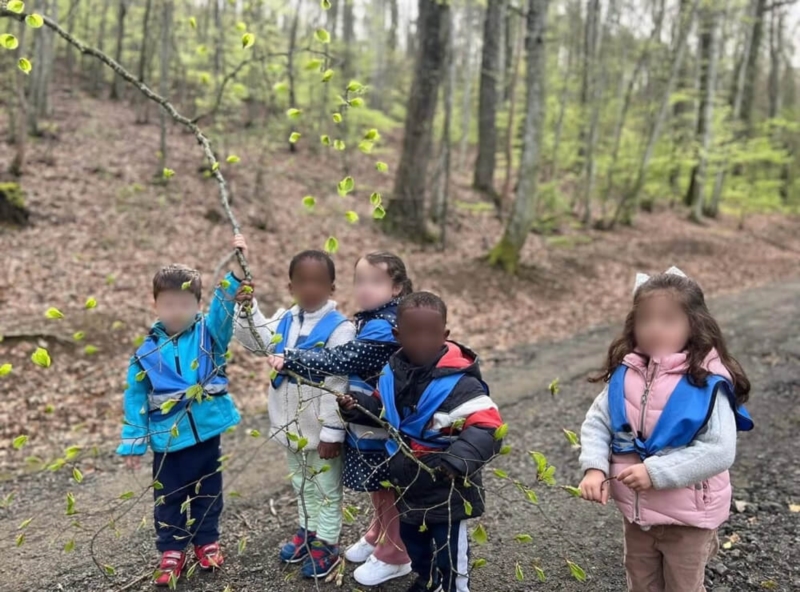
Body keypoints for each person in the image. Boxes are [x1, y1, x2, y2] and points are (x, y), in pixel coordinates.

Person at [578, 267, 754, 592]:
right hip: (637, 514)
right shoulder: (626, 375)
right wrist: (593, 468)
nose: (654, 328)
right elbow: (598, 423)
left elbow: (719, 450)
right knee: (641, 584)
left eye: (668, 320)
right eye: (645, 319)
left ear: (694, 325)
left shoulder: (707, 382)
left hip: (688, 518)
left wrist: (655, 472)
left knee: (683, 586)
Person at [339, 291, 504, 592]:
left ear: (445, 334)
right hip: (408, 482)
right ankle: (428, 580)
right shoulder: (392, 373)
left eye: (431, 333)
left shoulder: (460, 383)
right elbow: (383, 408)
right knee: (415, 542)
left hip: (448, 484)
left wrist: (457, 461)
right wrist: (356, 406)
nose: (422, 341)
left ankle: (453, 586)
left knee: (449, 548)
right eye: (414, 333)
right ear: (397, 334)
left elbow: (488, 426)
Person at [268, 252, 414, 587]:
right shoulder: (371, 317)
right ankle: (379, 532)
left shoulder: (388, 324)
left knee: (388, 485)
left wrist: (293, 356)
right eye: (360, 280)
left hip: (386, 418)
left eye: (375, 282)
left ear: (397, 288)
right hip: (368, 417)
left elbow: (344, 358)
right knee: (377, 484)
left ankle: (395, 553)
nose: (364, 288)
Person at [116, 237, 251, 587]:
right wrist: (134, 440)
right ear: (156, 304)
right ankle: (171, 548)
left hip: (206, 432)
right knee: (169, 495)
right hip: (167, 440)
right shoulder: (146, 353)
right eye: (169, 303)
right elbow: (135, 397)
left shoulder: (208, 335)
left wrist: (236, 271)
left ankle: (206, 540)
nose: (177, 310)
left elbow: (223, 309)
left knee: (209, 491)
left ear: (197, 304)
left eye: (185, 303)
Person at [232, 237, 356, 579]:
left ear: (331, 287)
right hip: (291, 426)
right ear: (291, 287)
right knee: (301, 481)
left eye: (318, 282)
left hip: (320, 429)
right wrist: (247, 309)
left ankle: (327, 542)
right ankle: (308, 530)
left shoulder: (340, 329)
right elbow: (256, 340)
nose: (310, 288)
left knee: (326, 488)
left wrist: (333, 430)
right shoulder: (287, 319)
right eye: (302, 281)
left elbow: (337, 382)